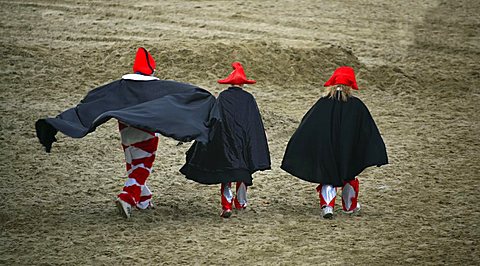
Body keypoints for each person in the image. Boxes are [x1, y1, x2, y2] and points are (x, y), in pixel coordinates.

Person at [35, 47, 216, 219]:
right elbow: (184, 93)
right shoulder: (156, 88)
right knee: (142, 165)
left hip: (126, 131)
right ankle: (127, 197)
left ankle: (144, 200)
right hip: (145, 132)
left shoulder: (120, 86)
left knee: (133, 162)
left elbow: (97, 98)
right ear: (151, 71)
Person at [281, 66, 388, 219]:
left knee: (328, 174)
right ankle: (349, 206)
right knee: (349, 173)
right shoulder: (357, 106)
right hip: (348, 149)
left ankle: (328, 207)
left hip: (327, 148)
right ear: (350, 86)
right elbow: (367, 130)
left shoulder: (322, 104)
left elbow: (308, 125)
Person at [180, 62, 271, 218]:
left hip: (226, 141)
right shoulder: (248, 98)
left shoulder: (223, 97)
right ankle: (241, 203)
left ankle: (226, 206)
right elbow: (253, 122)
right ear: (243, 83)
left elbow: (215, 119)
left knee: (226, 173)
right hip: (243, 141)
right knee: (242, 172)